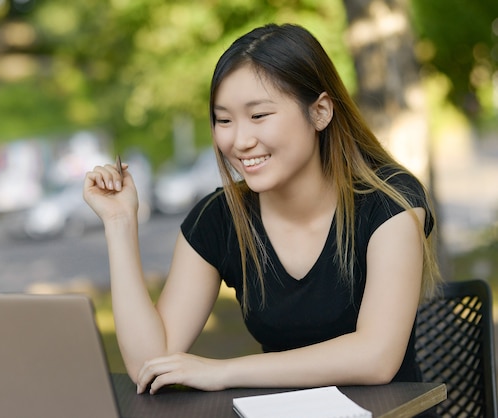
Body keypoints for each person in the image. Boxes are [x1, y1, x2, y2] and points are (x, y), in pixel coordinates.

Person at [83, 23, 442, 395]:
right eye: (224, 120)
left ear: (319, 112)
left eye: (258, 116)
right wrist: (120, 223)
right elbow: (149, 364)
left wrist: (222, 372)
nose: (239, 141)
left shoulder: (389, 199)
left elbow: (376, 357)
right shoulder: (220, 218)